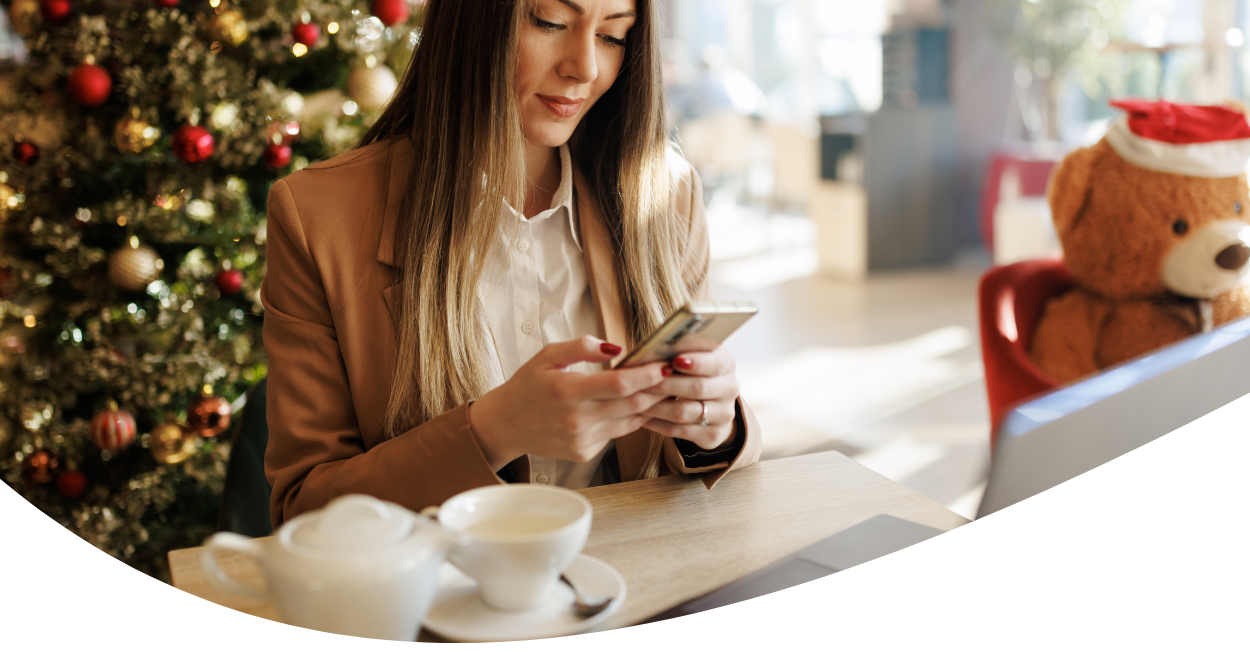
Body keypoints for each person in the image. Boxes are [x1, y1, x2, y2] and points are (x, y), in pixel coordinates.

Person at [262, 0, 761, 526]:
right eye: (549, 21)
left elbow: (714, 461)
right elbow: (306, 509)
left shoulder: (666, 195)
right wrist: (492, 430)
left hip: (636, 581)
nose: (585, 68)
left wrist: (714, 426)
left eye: (613, 36)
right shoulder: (318, 217)